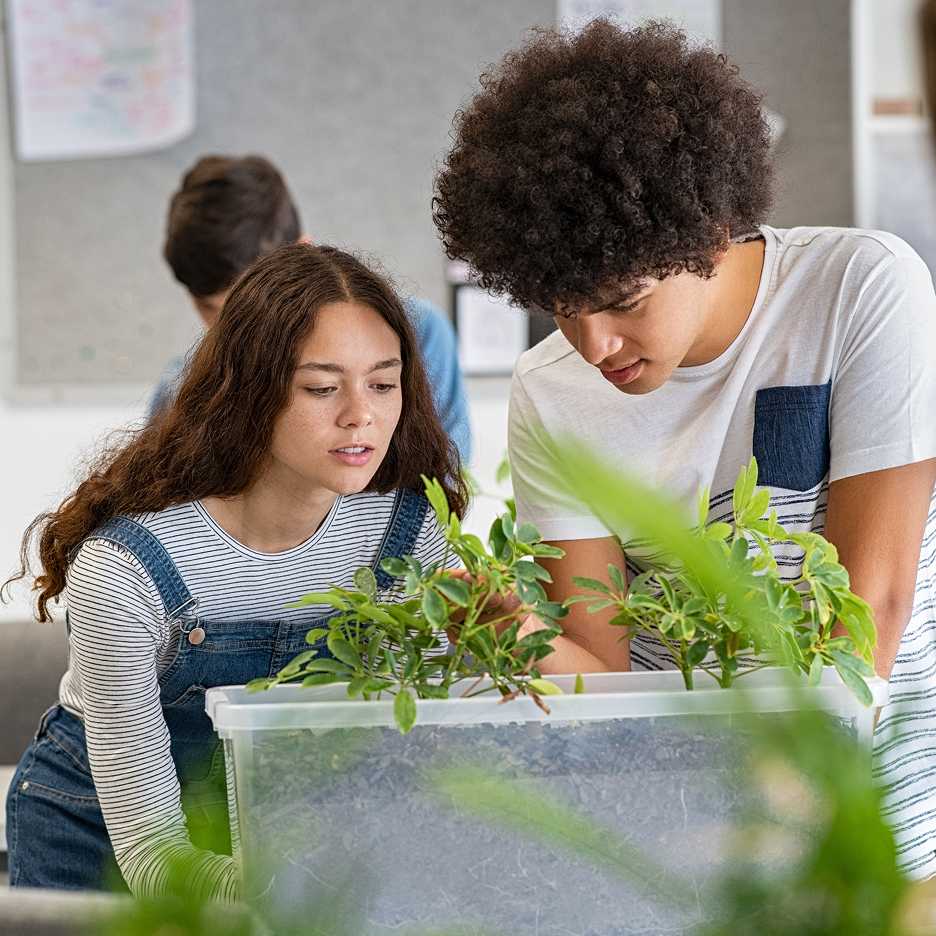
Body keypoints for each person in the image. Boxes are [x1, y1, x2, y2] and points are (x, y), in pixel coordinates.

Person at [433, 19, 936, 878]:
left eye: (623, 300)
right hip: (679, 830)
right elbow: (604, 675)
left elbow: (871, 603)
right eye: (560, 307)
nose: (593, 345)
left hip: (877, 810)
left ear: (708, 233)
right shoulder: (549, 390)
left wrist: (784, 816)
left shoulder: (861, 289)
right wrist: (510, 629)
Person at [4, 243, 467, 899]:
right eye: (322, 388)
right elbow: (152, 853)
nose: (361, 414)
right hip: (103, 837)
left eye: (383, 384)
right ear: (249, 393)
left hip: (281, 836)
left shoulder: (408, 535)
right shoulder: (127, 567)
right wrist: (295, 892)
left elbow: (401, 761)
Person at [154, 154, 472, 461]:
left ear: (302, 252)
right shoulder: (180, 386)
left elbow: (443, 478)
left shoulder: (417, 331)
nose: (234, 332)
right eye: (210, 310)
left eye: (381, 385)